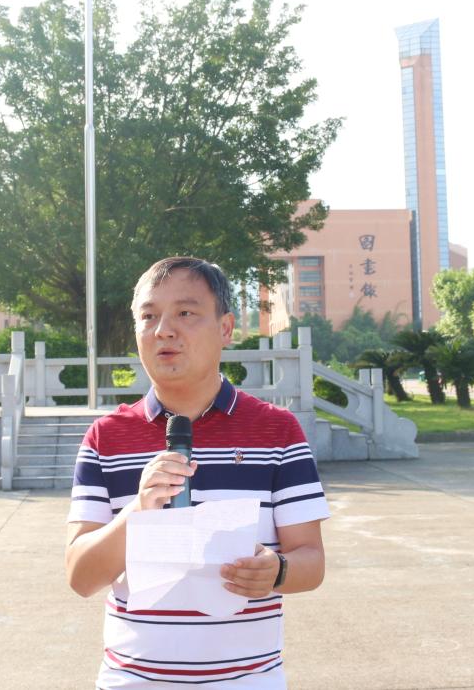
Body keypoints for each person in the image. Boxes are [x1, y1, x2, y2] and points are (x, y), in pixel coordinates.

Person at [66, 257, 329, 688]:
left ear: (225, 328)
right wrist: (138, 511)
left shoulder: (277, 432)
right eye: (148, 316)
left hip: (247, 681)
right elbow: (80, 576)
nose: (163, 330)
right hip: (133, 680)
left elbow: (312, 561)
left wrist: (277, 571)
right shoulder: (106, 438)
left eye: (185, 313)